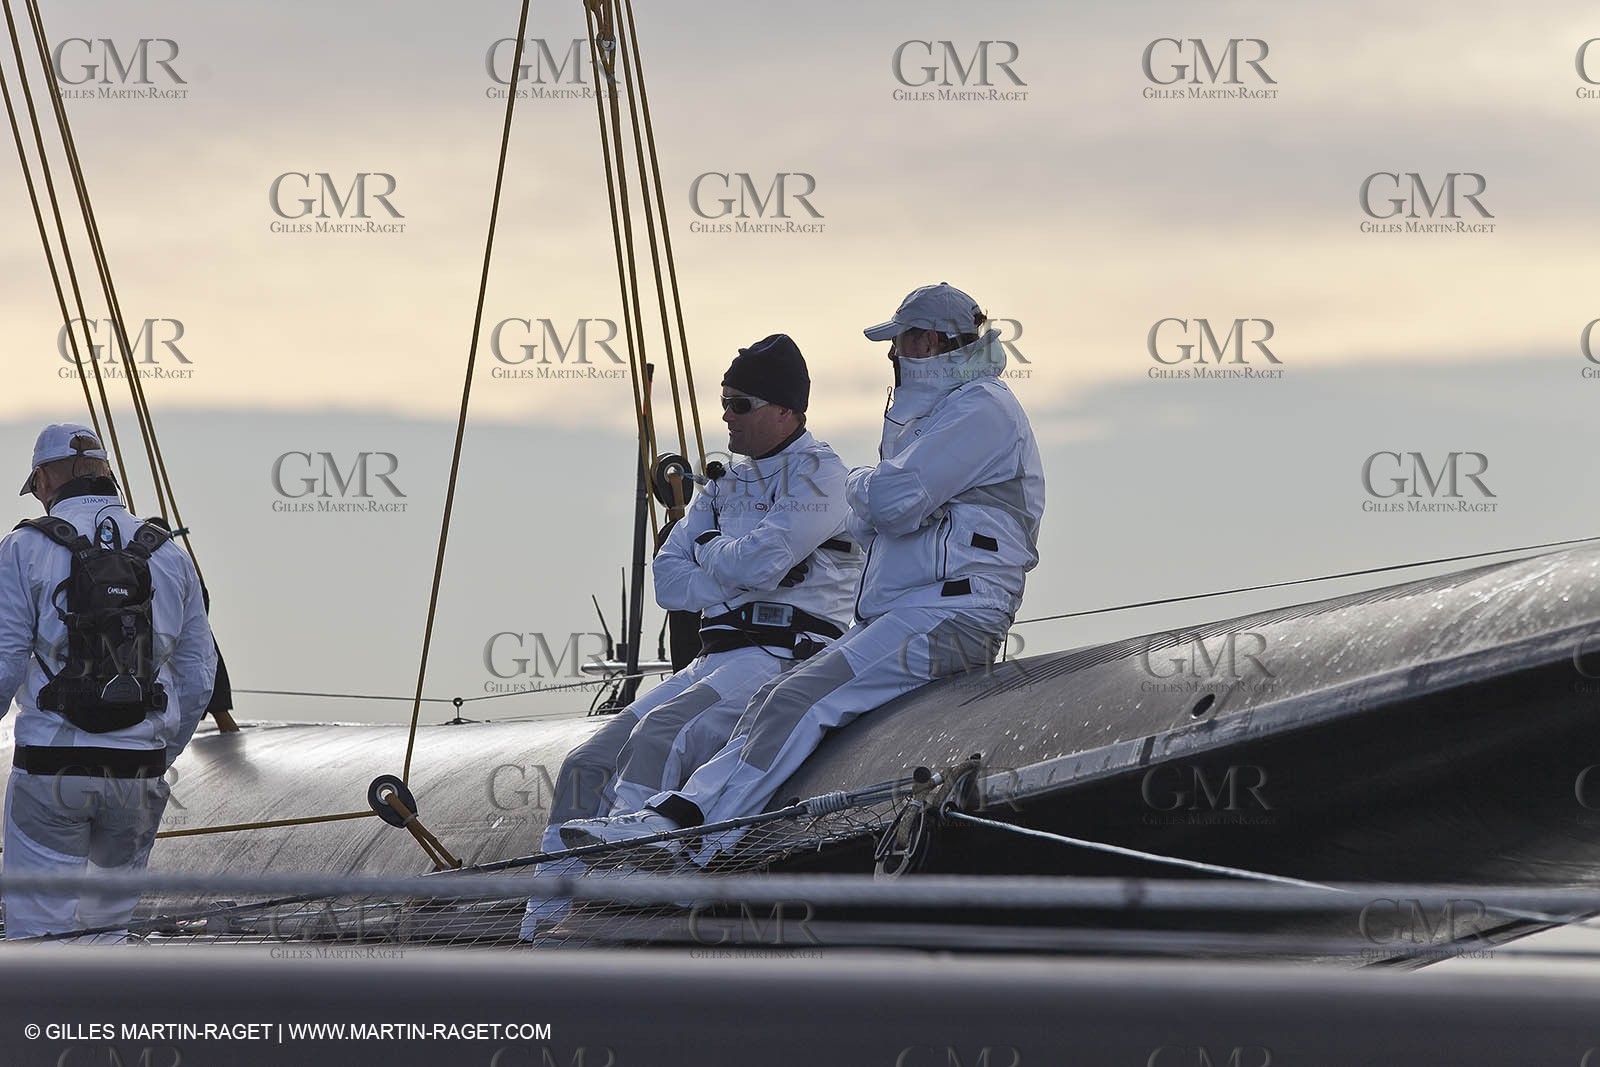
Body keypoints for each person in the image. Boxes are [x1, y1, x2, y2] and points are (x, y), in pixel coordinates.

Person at [561, 282, 1045, 861]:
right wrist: (877, 494)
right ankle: (675, 818)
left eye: (901, 342)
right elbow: (879, 514)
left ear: (932, 341)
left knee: (799, 700)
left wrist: (867, 486)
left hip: (952, 613)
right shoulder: (936, 416)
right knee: (781, 698)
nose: (892, 356)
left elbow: (885, 504)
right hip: (909, 611)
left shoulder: (980, 408)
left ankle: (689, 841)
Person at [521, 335, 859, 935]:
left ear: (785, 410)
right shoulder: (727, 482)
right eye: (724, 401)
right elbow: (671, 581)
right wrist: (730, 568)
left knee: (661, 732)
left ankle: (618, 894)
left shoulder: (821, 478)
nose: (725, 414)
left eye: (740, 403)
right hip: (716, 654)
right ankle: (541, 921)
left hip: (778, 656)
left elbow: (754, 563)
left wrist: (714, 557)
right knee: (585, 763)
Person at [0, 423, 216, 941]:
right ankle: (101, 1022)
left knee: (37, 931)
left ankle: (38, 1025)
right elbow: (198, 675)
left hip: (52, 768)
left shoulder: (23, 548)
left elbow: (5, 662)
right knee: (107, 933)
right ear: (107, 474)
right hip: (137, 773)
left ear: (47, 478)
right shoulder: (169, 554)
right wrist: (161, 751)